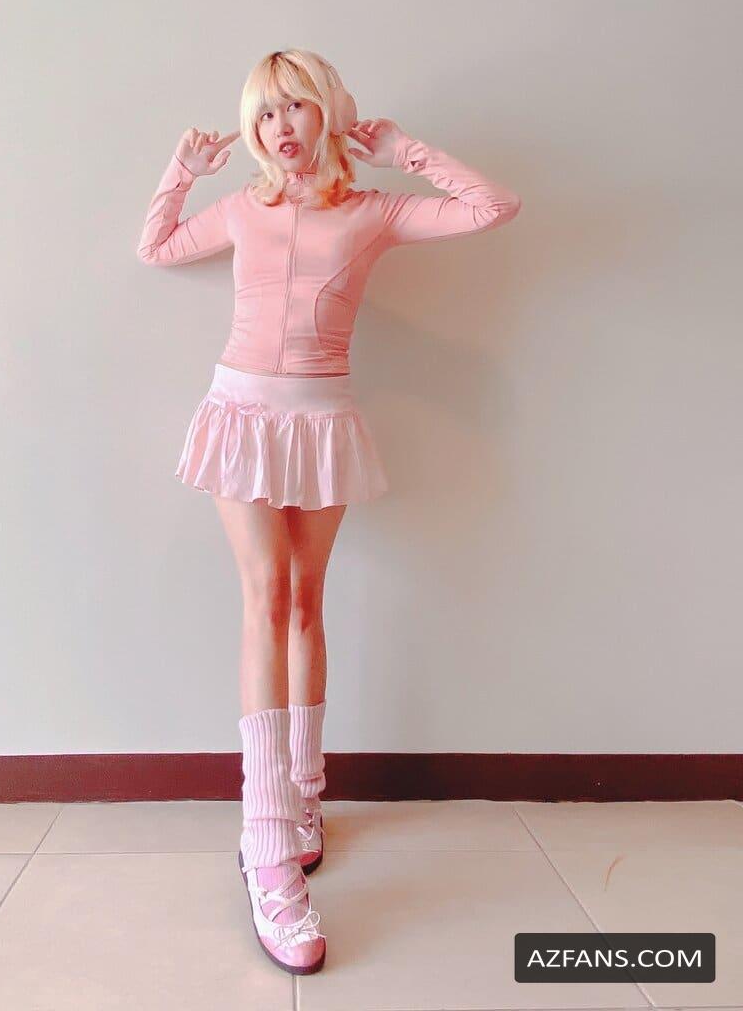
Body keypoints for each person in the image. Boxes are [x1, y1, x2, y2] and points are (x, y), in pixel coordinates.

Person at [136, 48, 521, 975]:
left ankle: (306, 791)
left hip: (321, 422)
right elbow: (156, 247)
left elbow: (492, 207)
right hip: (241, 416)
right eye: (266, 112)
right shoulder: (243, 208)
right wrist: (181, 172)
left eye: (297, 107)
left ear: (328, 113)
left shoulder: (372, 210)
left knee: (307, 601)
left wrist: (404, 149)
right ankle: (268, 844)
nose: (281, 127)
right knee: (267, 597)